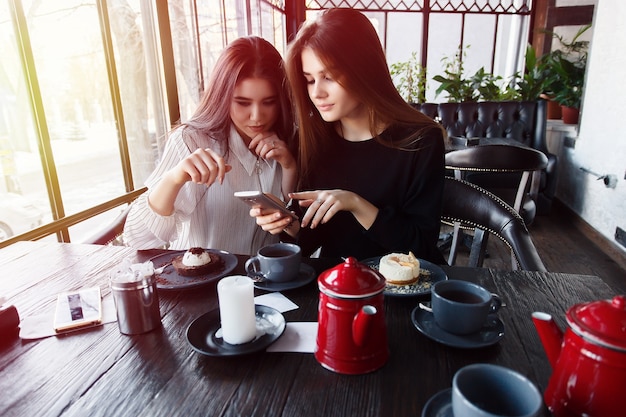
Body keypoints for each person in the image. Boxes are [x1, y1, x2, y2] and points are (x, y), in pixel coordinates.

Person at [251, 8, 446, 264]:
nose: (317, 93)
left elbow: (420, 249)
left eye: (328, 77)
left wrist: (355, 203)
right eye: (309, 80)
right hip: (340, 287)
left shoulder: (421, 140)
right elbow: (311, 240)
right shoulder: (314, 138)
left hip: (405, 290)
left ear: (364, 70)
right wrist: (287, 223)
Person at [123, 36, 297, 255]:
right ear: (223, 96)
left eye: (269, 102)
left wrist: (290, 168)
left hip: (262, 282)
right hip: (200, 281)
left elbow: (299, 231)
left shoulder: (288, 141)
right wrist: (174, 179)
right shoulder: (191, 140)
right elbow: (136, 238)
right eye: (242, 102)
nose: (257, 117)